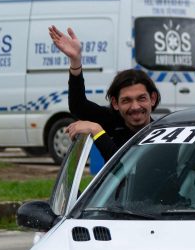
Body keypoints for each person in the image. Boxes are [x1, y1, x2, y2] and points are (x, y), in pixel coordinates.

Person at [48, 25, 159, 161]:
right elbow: (78, 106)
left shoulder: (163, 134)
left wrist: (96, 130)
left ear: (152, 99)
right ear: (115, 103)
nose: (135, 107)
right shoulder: (112, 120)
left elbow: (121, 166)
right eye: (126, 100)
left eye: (141, 98)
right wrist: (75, 61)